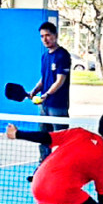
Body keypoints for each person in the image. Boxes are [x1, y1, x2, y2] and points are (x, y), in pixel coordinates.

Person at [28, 22, 71, 167]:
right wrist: (35, 90)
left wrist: (46, 94)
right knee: (43, 139)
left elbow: (60, 80)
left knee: (60, 140)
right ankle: (43, 169)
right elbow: (45, 77)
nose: (45, 39)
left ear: (55, 36)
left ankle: (62, 169)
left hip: (57, 106)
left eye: (48, 35)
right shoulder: (45, 56)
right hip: (44, 106)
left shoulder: (62, 55)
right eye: (42, 36)